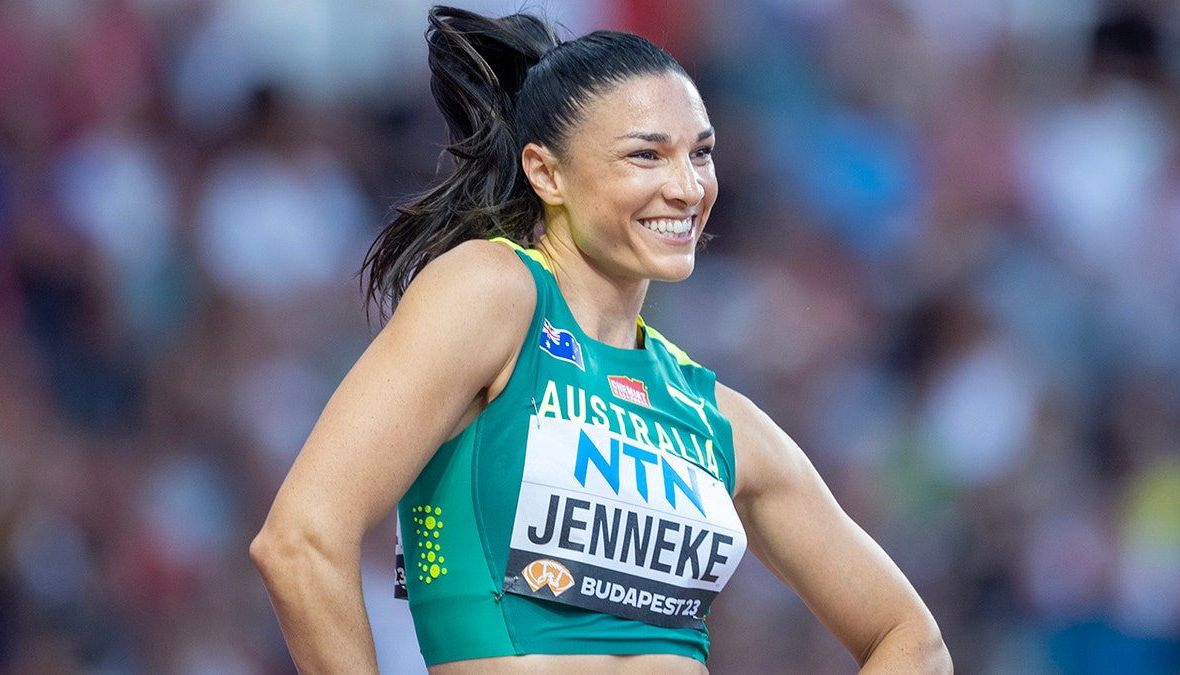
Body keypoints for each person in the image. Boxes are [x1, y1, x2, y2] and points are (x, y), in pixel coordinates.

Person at [250, 6, 952, 674]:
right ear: (546, 172)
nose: (686, 186)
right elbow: (301, 540)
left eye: (700, 154)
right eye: (646, 156)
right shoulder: (494, 292)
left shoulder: (717, 416)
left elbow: (911, 639)